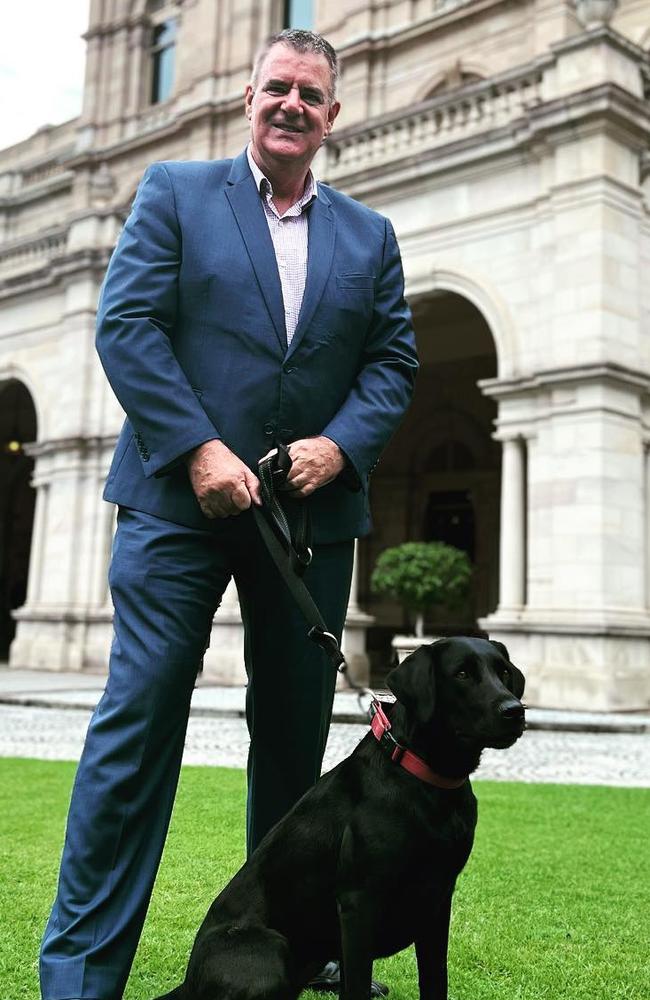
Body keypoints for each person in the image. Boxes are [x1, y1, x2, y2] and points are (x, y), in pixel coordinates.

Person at [40, 28, 417, 1000]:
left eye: (310, 95)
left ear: (333, 116)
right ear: (250, 99)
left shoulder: (368, 237)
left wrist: (339, 444)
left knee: (293, 746)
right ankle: (82, 971)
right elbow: (124, 324)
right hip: (176, 503)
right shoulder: (174, 191)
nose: (291, 104)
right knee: (139, 720)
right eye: (277, 88)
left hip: (310, 521)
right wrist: (199, 447)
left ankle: (286, 947)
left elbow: (391, 365)